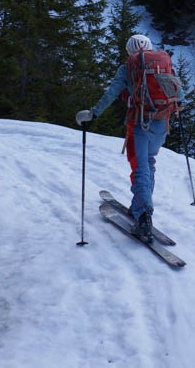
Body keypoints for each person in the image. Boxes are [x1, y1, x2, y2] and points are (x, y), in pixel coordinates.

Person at [75, 34, 183, 241]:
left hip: (140, 123)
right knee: (149, 163)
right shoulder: (162, 64)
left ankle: (144, 217)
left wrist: (93, 114)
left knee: (140, 167)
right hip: (162, 123)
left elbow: (111, 93)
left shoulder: (127, 68)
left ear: (129, 51)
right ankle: (138, 207)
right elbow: (180, 94)